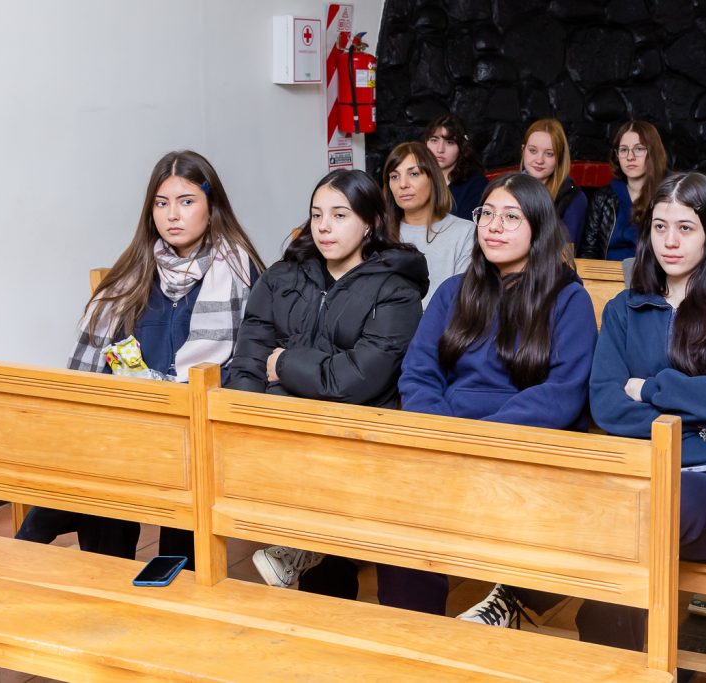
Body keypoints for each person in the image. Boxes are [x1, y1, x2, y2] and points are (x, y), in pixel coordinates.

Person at [459, 173, 706, 648]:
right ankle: (612, 653)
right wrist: (703, 407)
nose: (670, 242)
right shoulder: (626, 309)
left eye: (685, 228)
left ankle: (518, 599)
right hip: (635, 474)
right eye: (660, 227)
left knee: (645, 513)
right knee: (599, 507)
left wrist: (651, 388)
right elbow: (606, 405)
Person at [15, 150, 264, 563]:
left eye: (186, 201)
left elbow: (248, 364)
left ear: (211, 207)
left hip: (200, 426)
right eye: (161, 204)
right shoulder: (133, 272)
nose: (173, 215)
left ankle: (36, 534)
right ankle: (105, 569)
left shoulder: (242, 273)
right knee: (102, 451)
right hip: (133, 422)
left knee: (110, 465)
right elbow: (100, 362)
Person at [387, 172, 598, 615]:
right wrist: (444, 432)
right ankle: (414, 632)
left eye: (511, 217)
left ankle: (508, 603)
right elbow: (419, 373)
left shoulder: (567, 300)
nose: (494, 227)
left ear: (539, 228)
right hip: (448, 441)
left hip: (523, 448)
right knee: (400, 511)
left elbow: (563, 393)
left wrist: (483, 438)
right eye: (486, 214)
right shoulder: (454, 292)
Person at [232, 169, 428, 592]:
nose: (324, 226)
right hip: (283, 429)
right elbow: (249, 355)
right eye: (317, 214)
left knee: (330, 539)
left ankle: (310, 555)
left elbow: (355, 379)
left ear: (370, 223)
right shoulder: (281, 277)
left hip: (357, 430)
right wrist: (246, 416)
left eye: (340, 215)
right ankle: (303, 553)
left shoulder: (396, 291)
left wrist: (285, 364)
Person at [383, 141, 475, 308]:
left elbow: (462, 301)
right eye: (394, 176)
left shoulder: (465, 232)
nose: (403, 184)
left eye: (414, 174)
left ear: (432, 178)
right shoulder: (381, 233)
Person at [579, 119, 668, 260]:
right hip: (607, 271)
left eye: (639, 149)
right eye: (624, 150)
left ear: (653, 152)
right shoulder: (603, 197)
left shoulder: (671, 194)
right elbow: (588, 250)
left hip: (652, 271)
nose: (630, 157)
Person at [520, 118, 588, 248]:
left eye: (549, 154)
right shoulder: (506, 189)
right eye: (533, 151)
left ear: (559, 158)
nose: (539, 160)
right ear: (523, 150)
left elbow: (566, 252)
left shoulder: (574, 198)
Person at [423, 113, 489, 220]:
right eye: (434, 140)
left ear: (461, 147)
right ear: (426, 142)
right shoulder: (417, 176)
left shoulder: (476, 184)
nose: (440, 149)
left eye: (450, 142)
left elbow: (469, 227)